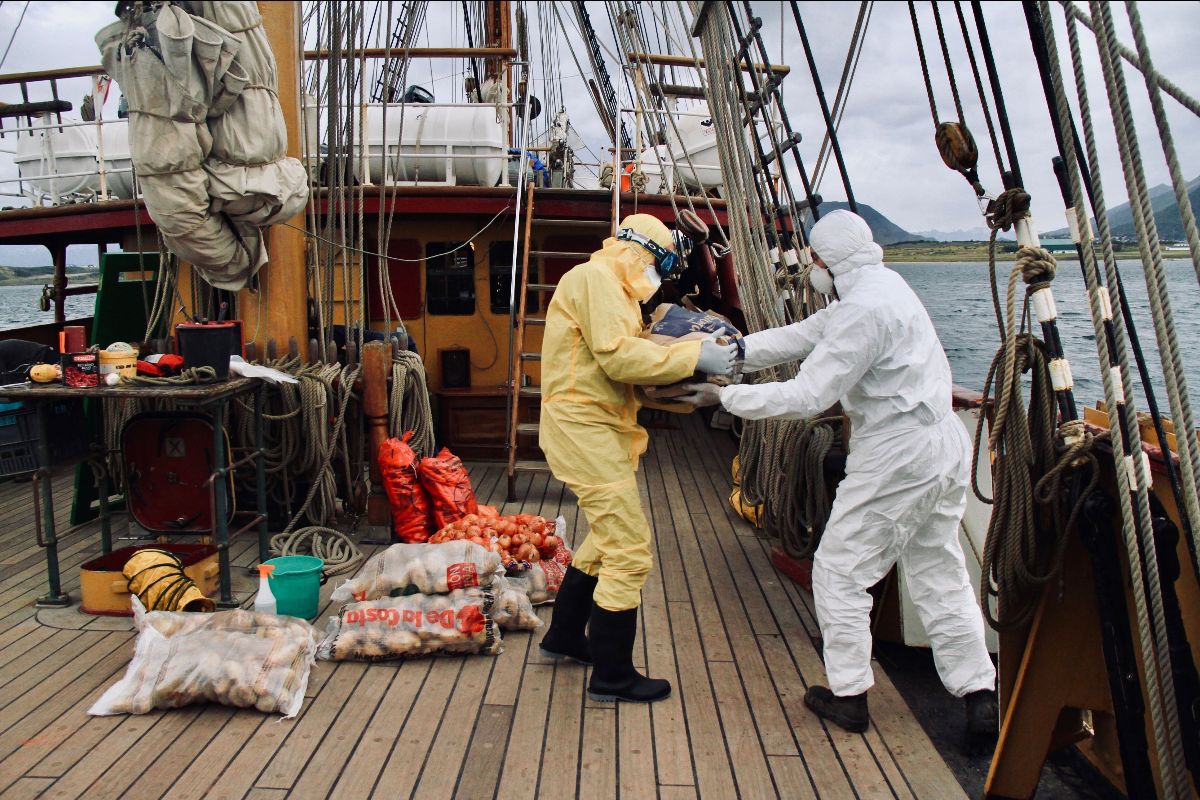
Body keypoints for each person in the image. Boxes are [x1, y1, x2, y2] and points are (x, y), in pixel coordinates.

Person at [679, 210, 998, 737]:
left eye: (816, 259)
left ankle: (848, 695)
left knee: (838, 570)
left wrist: (724, 395)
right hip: (943, 445)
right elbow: (805, 333)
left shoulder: (862, 311)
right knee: (938, 570)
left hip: (899, 453)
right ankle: (979, 694)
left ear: (828, 260)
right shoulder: (884, 287)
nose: (813, 267)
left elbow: (808, 396)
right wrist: (729, 355)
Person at [537, 213, 737, 703]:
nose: (660, 275)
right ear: (638, 249)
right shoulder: (595, 278)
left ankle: (563, 636)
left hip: (601, 428)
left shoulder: (618, 293)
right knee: (629, 549)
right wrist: (696, 356)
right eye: (660, 261)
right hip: (585, 431)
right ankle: (613, 675)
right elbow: (618, 358)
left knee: (605, 540)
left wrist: (685, 392)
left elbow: (612, 370)